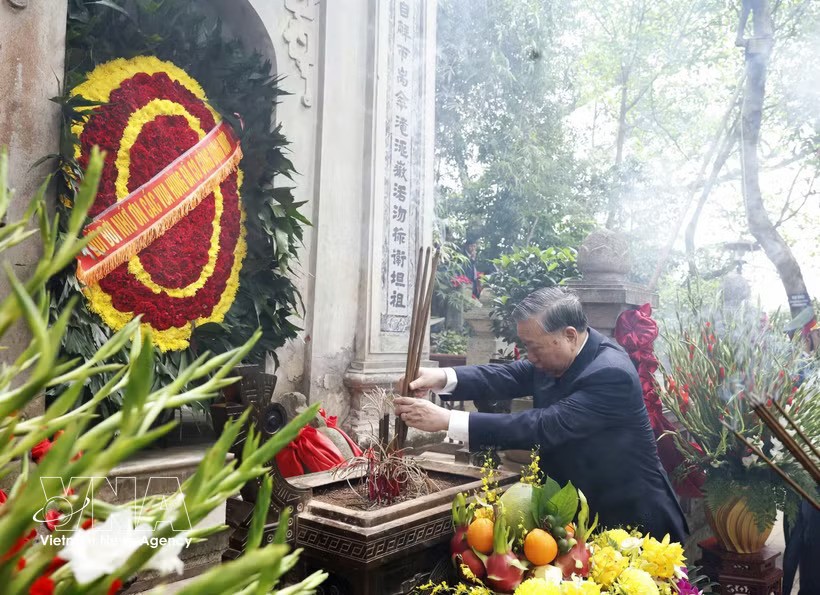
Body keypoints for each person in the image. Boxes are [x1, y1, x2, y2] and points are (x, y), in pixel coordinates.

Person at [395, 287, 688, 543]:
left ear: (569, 336)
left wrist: (447, 420)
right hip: (580, 513)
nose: (530, 356)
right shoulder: (559, 357)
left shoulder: (610, 373)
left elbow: (545, 425)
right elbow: (508, 375)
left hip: (633, 519)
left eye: (534, 347)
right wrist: (440, 376)